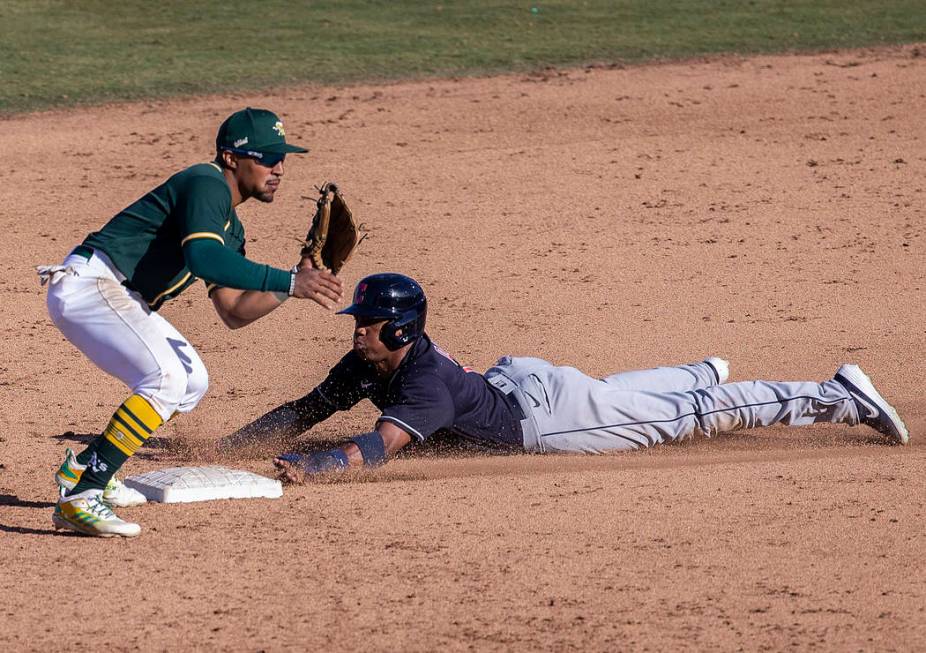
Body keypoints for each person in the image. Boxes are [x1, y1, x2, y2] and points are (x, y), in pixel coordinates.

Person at [216, 273, 909, 481]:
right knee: (621, 397)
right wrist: (223, 451)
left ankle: (836, 396)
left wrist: (313, 468)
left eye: (366, 321)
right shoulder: (367, 360)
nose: (355, 328)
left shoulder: (422, 382)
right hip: (528, 385)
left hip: (550, 420)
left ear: (400, 330)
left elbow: (374, 449)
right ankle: (697, 370)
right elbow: (303, 408)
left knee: (690, 417)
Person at [39, 107, 344, 537]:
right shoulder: (204, 182)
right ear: (232, 157)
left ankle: (87, 468)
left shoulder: (230, 229)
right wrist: (291, 280)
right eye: (267, 157)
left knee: (191, 380)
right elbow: (202, 257)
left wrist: (295, 279)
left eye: (283, 158)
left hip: (117, 294)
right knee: (164, 378)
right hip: (90, 284)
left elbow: (234, 310)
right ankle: (81, 497)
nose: (279, 168)